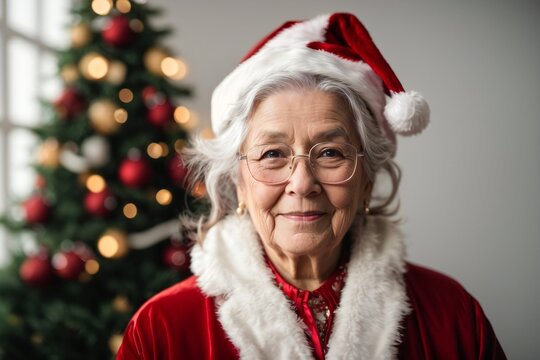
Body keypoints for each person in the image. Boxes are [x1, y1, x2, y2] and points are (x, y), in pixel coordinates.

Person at [117, 13, 506, 359]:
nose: (302, 183)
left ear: (367, 178)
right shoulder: (161, 330)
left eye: (331, 153)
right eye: (272, 154)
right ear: (237, 178)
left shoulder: (452, 314)